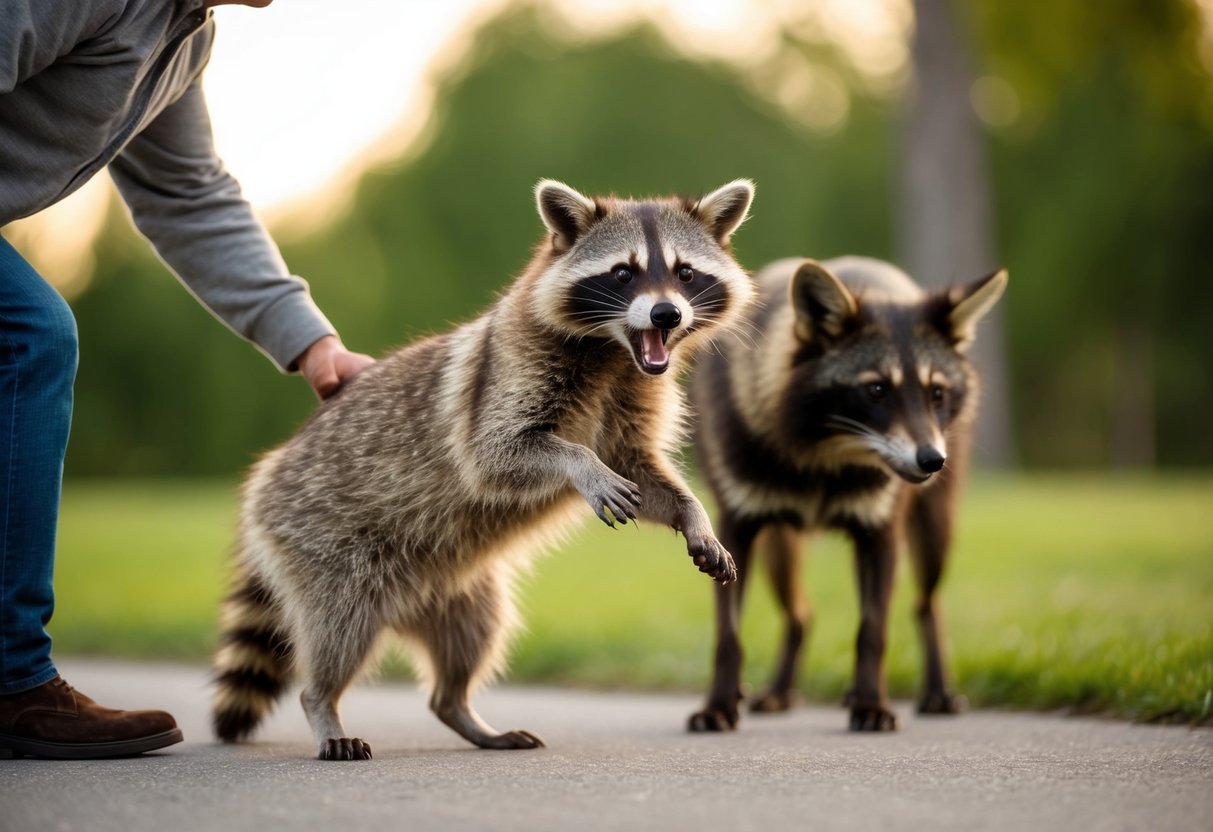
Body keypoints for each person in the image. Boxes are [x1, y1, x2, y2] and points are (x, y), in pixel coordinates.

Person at [0, 0, 374, 758]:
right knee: (29, 336)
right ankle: (10, 682)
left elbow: (187, 193)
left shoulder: (183, 37)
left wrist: (313, 345)